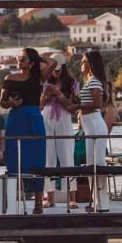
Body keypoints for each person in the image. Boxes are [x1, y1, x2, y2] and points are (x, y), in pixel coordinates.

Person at [0, 47, 48, 213]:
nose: (20, 60)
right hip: (16, 118)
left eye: (24, 58)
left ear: (32, 62)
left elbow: (54, 62)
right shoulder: (10, 77)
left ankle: (38, 202)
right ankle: (14, 201)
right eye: (19, 58)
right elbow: (2, 102)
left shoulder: (38, 78)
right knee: (14, 157)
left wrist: (37, 57)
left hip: (34, 118)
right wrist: (11, 104)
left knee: (37, 158)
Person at [40, 53, 78, 209]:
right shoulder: (44, 83)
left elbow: (73, 107)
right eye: (53, 69)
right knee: (48, 158)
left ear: (63, 67)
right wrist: (45, 95)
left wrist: (60, 95)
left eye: (58, 69)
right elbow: (39, 105)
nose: (55, 72)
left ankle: (72, 198)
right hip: (47, 117)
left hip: (64, 118)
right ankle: (49, 198)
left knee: (67, 156)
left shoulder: (72, 83)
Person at [76, 49, 111, 212]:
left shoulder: (95, 81)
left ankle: (102, 203)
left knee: (98, 164)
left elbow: (97, 105)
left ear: (91, 64)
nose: (81, 64)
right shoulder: (89, 81)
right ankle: (95, 201)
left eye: (83, 61)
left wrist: (77, 106)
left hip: (96, 125)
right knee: (91, 165)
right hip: (90, 126)